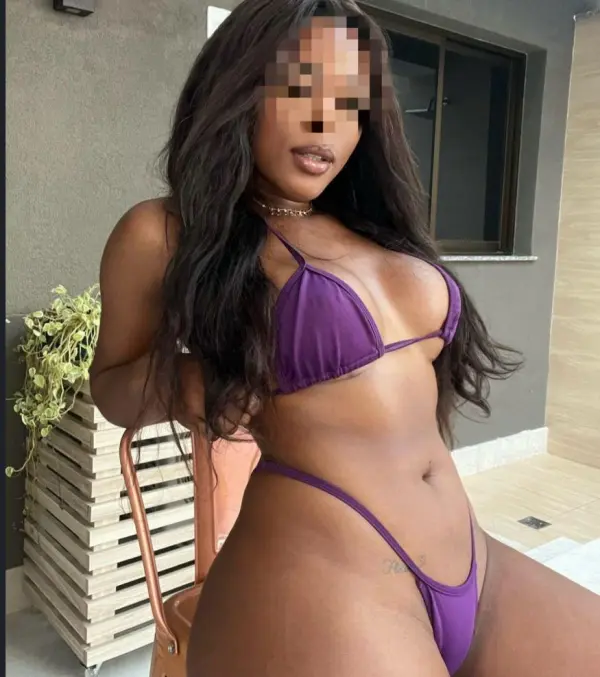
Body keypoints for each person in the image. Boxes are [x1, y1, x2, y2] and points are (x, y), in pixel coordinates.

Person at [90, 0, 600, 675]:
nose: (324, 120)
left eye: (350, 102)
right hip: (323, 577)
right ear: (238, 88)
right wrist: (188, 382)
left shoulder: (369, 225)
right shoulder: (165, 231)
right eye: (298, 87)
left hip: (471, 563)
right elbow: (111, 387)